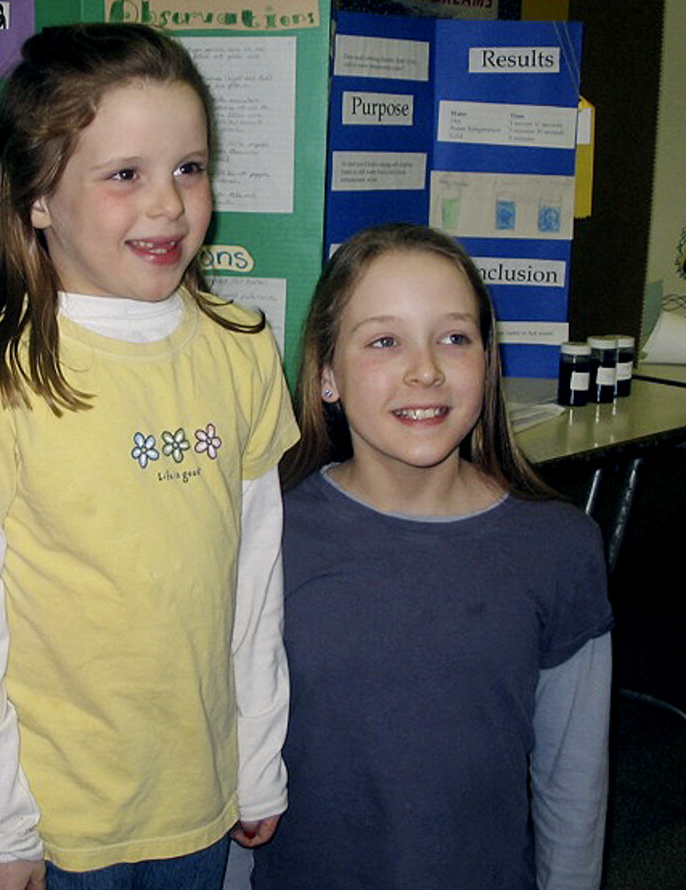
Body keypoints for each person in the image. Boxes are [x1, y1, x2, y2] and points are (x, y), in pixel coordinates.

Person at [0, 23, 298, 890]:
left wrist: (258, 754)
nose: (168, 204)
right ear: (37, 197)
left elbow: (254, 583)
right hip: (52, 817)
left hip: (194, 796)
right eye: (125, 174)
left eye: (189, 168)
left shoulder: (240, 348)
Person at [249, 223, 613, 890]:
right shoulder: (267, 538)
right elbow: (239, 777)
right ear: (327, 373)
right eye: (385, 340)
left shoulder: (559, 548)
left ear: (487, 360)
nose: (426, 369)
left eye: (454, 337)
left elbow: (573, 781)